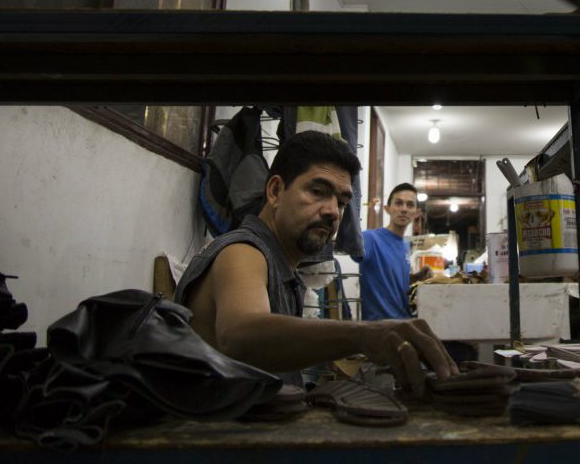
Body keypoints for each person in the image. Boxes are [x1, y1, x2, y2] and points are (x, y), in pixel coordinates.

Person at [174, 131, 455, 395]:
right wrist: (364, 335)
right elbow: (240, 335)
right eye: (318, 192)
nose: (332, 211)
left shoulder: (283, 266)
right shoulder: (243, 251)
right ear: (275, 191)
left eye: (342, 202)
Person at [353, 183, 431, 320]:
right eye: (399, 203)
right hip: (379, 329)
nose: (404, 209)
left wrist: (417, 277)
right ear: (387, 209)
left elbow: (392, 280)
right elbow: (349, 248)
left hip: (404, 323)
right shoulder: (370, 239)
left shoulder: (405, 244)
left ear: (417, 213)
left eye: (410, 205)